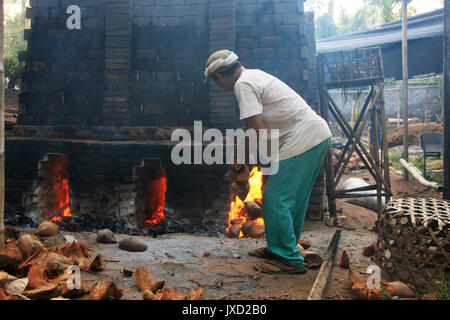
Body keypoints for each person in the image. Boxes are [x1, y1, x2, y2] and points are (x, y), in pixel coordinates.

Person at [204, 50, 332, 274]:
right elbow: (253, 127)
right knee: (290, 199)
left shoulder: (242, 85)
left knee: (276, 197)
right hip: (315, 135)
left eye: (215, 83)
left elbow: (257, 130)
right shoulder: (254, 75)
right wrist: (242, 155)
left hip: (303, 138)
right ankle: (279, 248)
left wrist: (250, 163)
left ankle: (286, 259)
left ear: (219, 78)